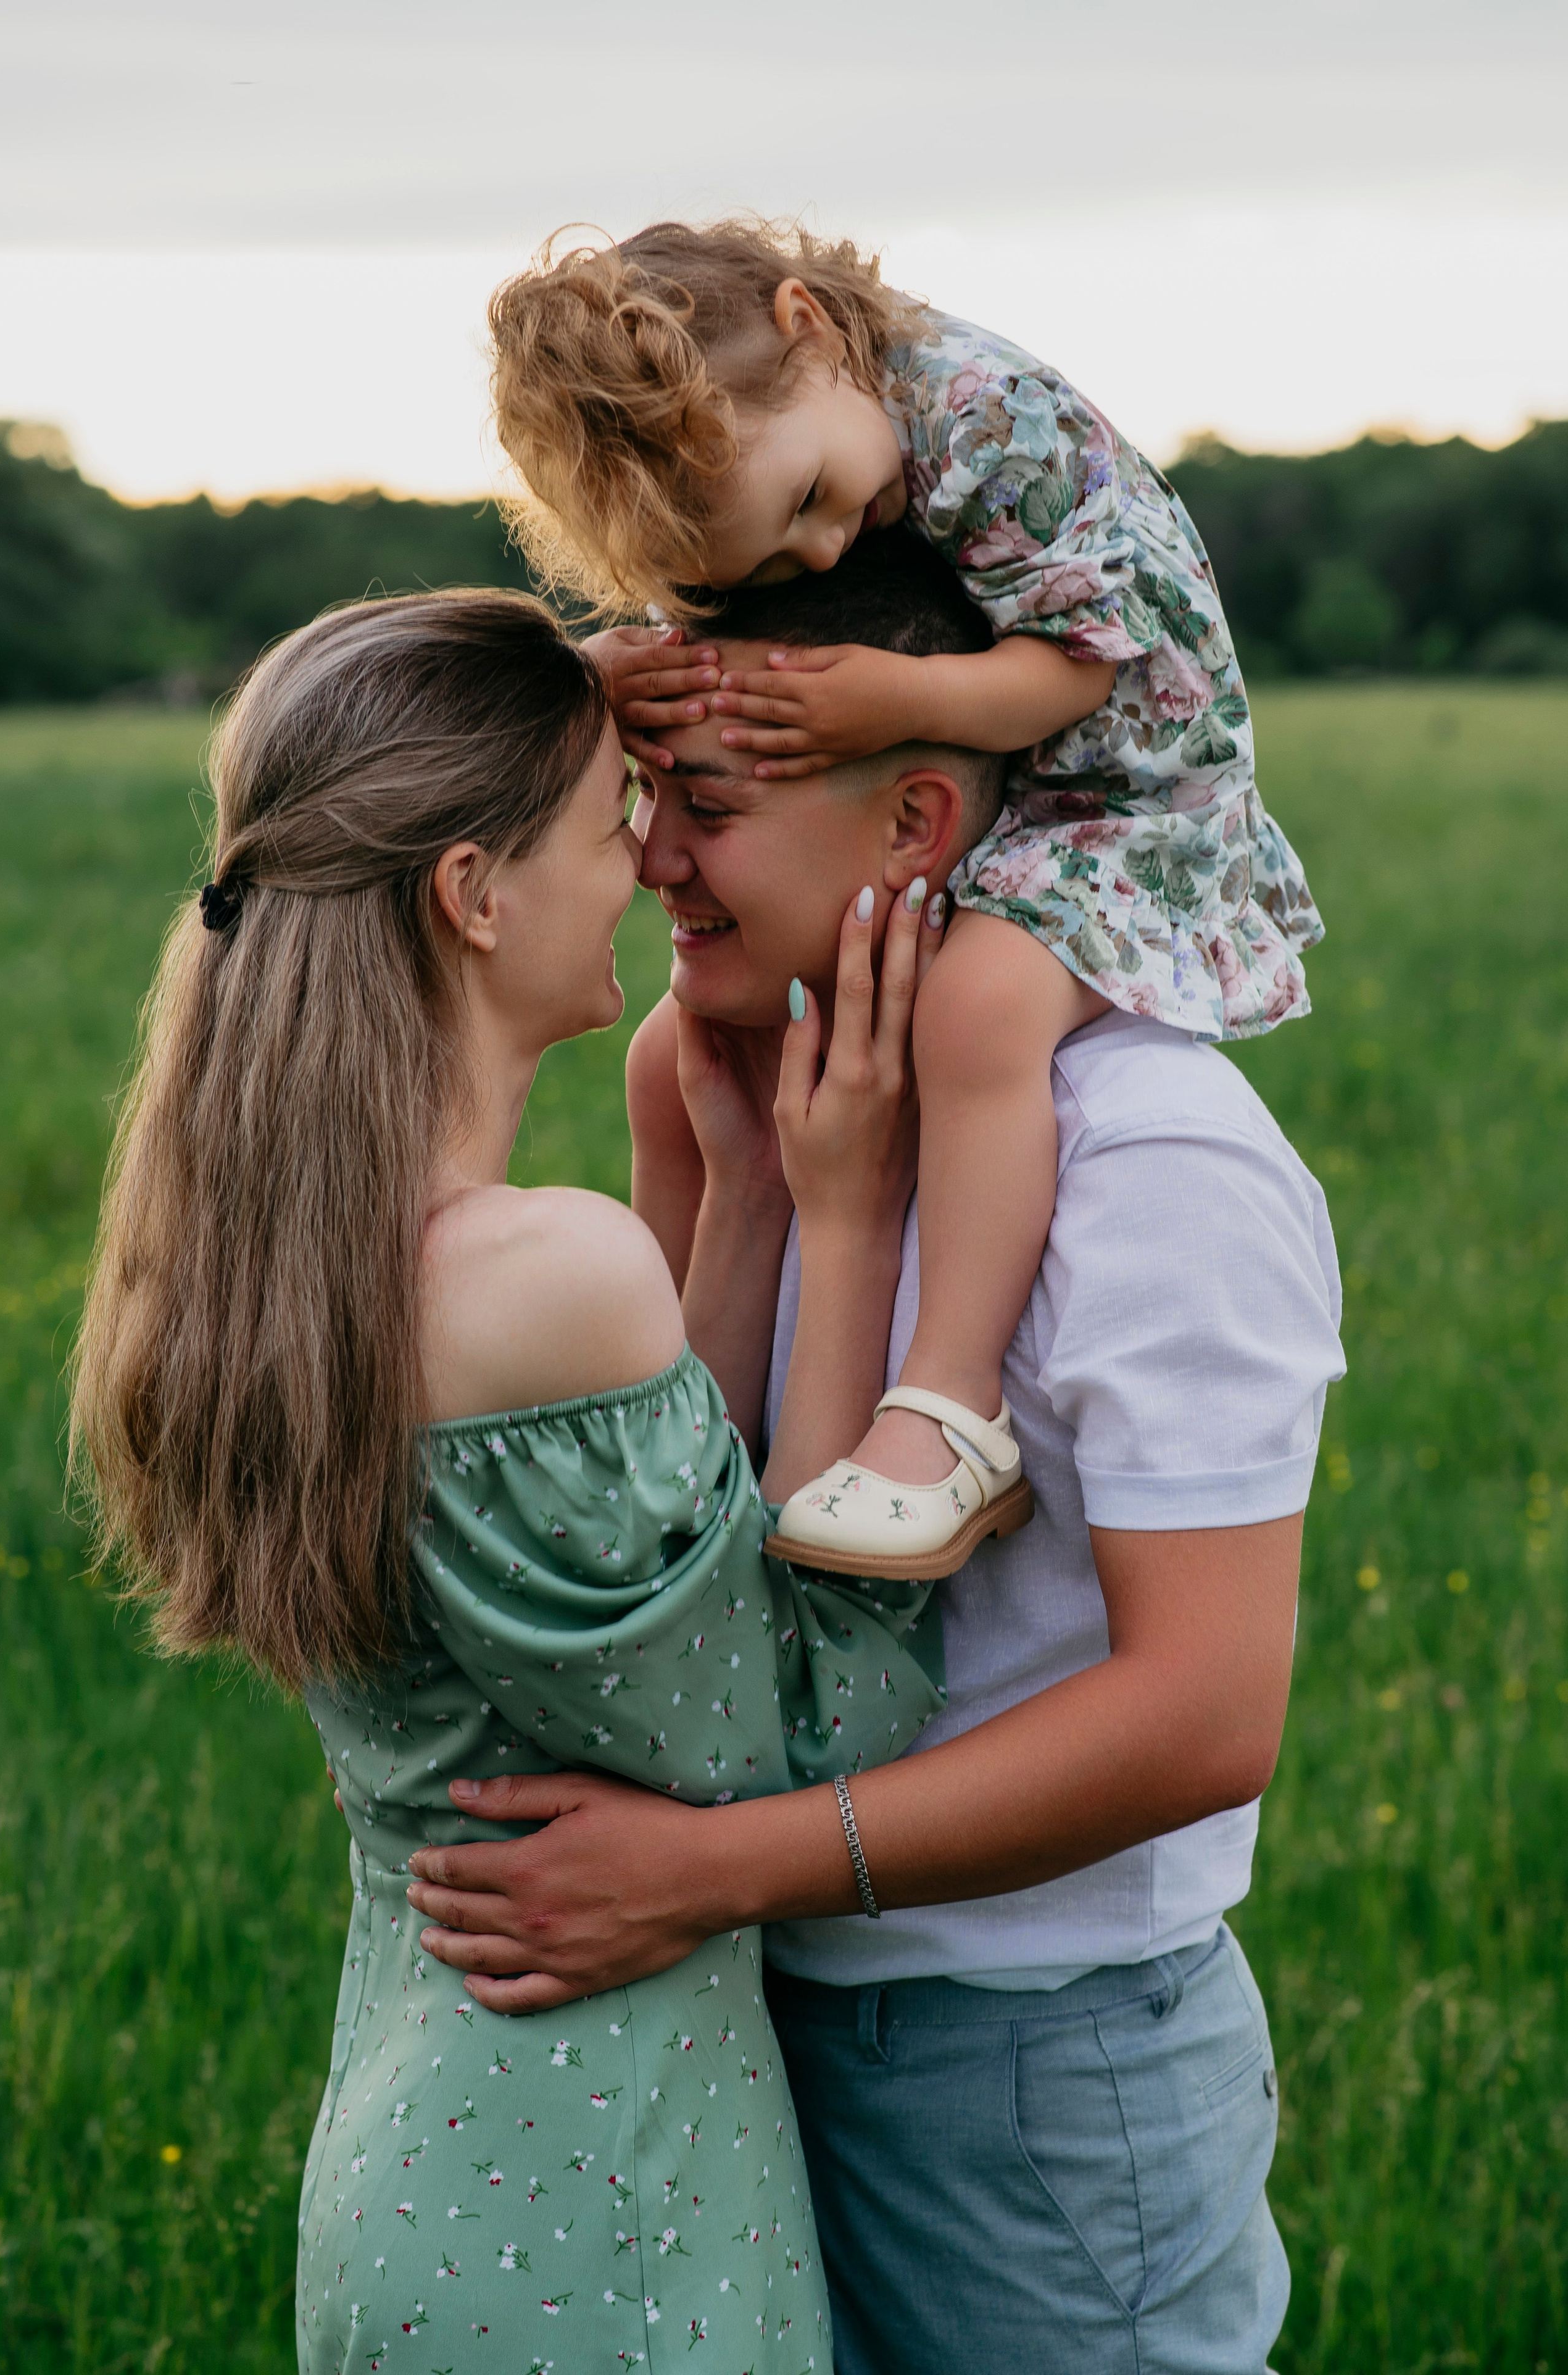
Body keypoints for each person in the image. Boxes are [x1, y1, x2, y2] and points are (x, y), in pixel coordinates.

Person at [404, 538, 1348, 2374]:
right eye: (645, 799)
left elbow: (1207, 1714)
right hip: (742, 2024)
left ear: (918, 819)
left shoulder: (1154, 1162)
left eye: (712, 804)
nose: (653, 859)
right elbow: (708, 1575)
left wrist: (714, 1870)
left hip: (1033, 2064)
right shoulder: (723, 1081)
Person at [67, 587, 955, 2375]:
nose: (646, 861)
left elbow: (644, 1609)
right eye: (606, 823)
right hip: (601, 2205)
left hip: (432, 2167)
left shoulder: (264, 1269)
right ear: (473, 895)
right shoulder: (541, 1272)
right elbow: (806, 1718)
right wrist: (852, 1224)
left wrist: (752, 1193)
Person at [485, 216, 1324, 1577]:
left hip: (1127, 789)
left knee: (981, 1006)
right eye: (751, 572)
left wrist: (900, 699)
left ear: (811, 322)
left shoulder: (990, 420)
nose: (817, 558)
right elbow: (655, 1546)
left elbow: (1084, 668)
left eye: (712, 805)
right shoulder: (796, 452)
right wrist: (606, 672)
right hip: (998, 773)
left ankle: (951, 1405)